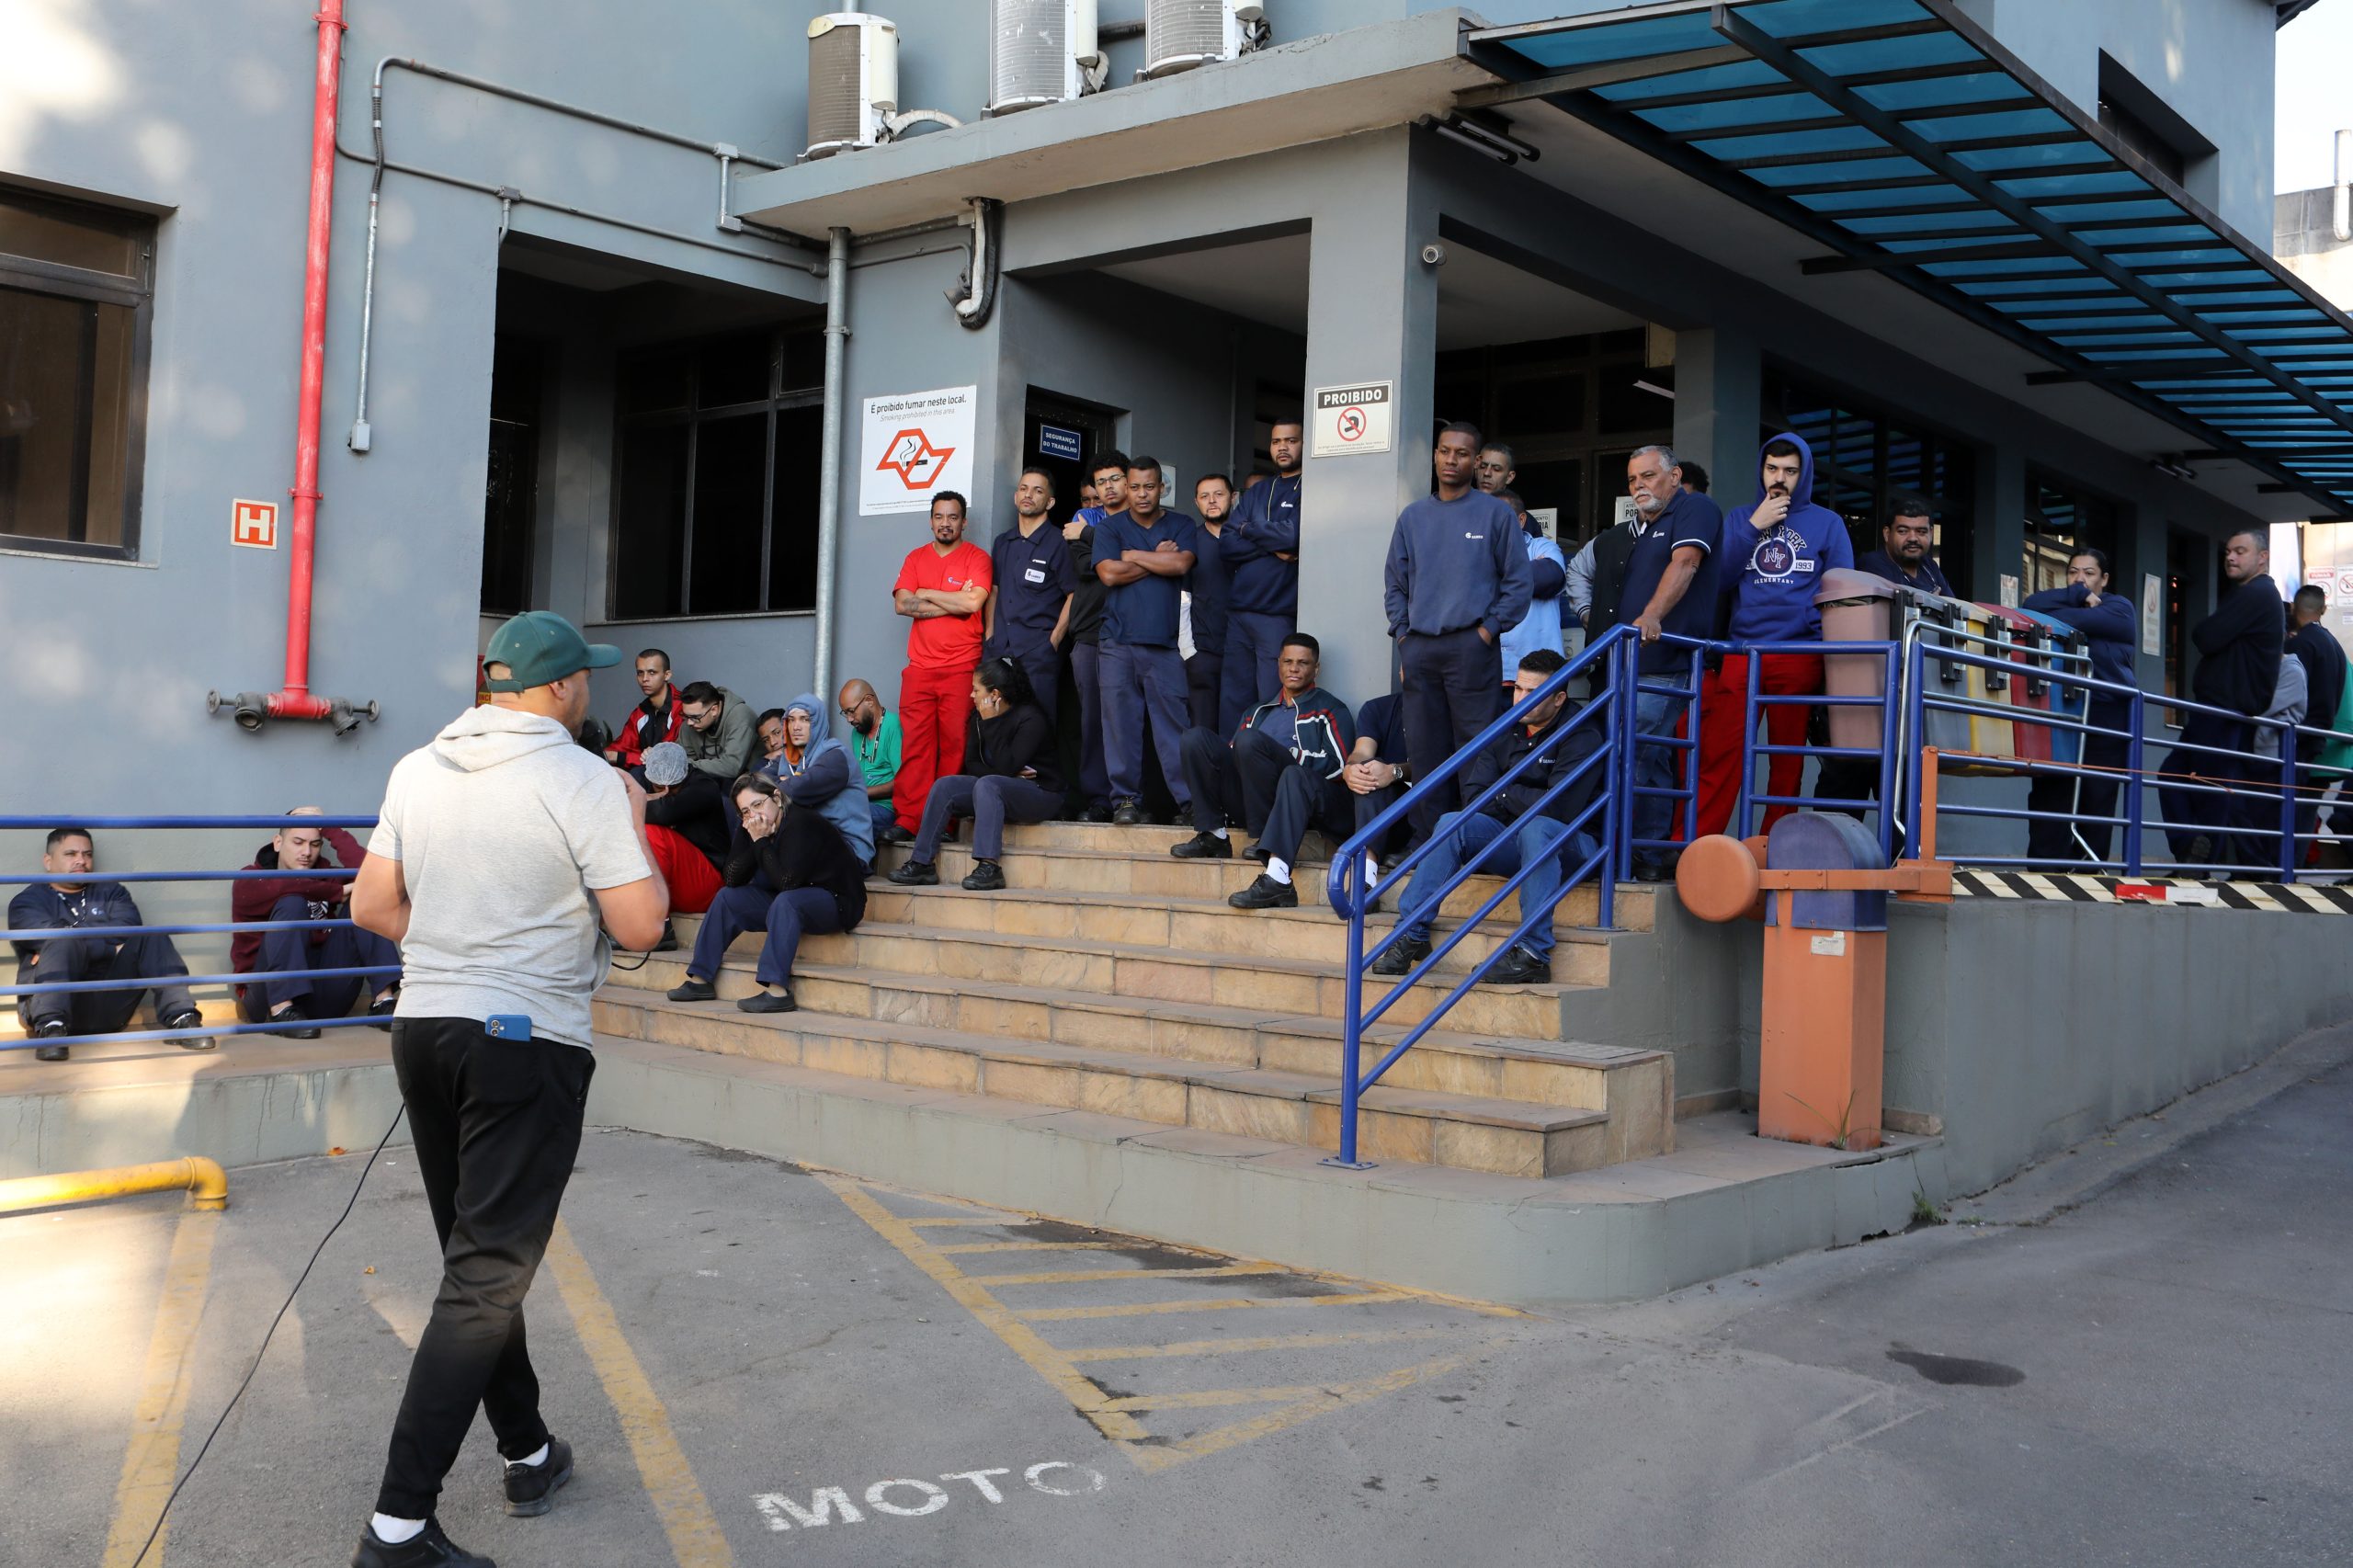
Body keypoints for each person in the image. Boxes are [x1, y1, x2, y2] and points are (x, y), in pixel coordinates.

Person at [347, 609, 668, 1567]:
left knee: (477, 1260)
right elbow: (643, 923)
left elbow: (371, 904)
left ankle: (527, 1448)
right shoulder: (582, 777)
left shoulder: (417, 765)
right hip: (522, 1040)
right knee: (486, 1276)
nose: (590, 691)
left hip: (426, 1028)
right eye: (586, 679)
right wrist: (636, 823)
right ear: (563, 687)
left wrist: (459, 952)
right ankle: (398, 1526)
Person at [1371, 649, 1602, 986]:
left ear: (1559, 698)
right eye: (1518, 689)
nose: (1521, 699)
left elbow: (1558, 810)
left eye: (1532, 693)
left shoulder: (1581, 733)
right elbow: (1476, 796)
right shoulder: (1506, 725)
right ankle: (1412, 932)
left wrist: (1505, 793)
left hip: (1572, 847)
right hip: (1516, 839)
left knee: (1538, 827)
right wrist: (1515, 799)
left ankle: (1534, 953)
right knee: (1453, 822)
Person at [1693, 434, 1854, 840]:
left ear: (1804, 474)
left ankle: (1772, 847)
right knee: (1719, 754)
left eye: (1789, 470)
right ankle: (1693, 844)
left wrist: (1819, 640)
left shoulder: (1828, 523)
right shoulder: (1740, 517)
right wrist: (1753, 527)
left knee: (1787, 761)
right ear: (1761, 471)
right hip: (1741, 651)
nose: (1779, 478)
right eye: (1772, 469)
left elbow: (1842, 591)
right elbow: (1721, 581)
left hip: (1799, 652)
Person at [1383, 422, 1532, 841]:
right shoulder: (1413, 516)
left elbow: (1519, 583)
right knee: (1426, 748)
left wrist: (1487, 631)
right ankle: (1428, 839)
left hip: (1472, 646)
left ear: (1477, 462)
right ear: (1435, 455)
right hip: (1420, 649)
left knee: (1476, 747)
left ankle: (1473, 836)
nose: (1452, 460)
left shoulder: (1495, 513)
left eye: (1463, 454)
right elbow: (1395, 583)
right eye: (1445, 451)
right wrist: (1403, 636)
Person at [1169, 633, 1358, 908]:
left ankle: (1262, 838)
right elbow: (1235, 755)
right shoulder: (1257, 712)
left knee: (1250, 741)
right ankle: (1214, 835)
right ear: (1278, 665)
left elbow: (1340, 765)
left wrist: (1286, 753)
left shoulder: (1329, 709)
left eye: (1303, 663)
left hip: (1295, 803)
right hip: (1251, 797)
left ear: (1316, 669)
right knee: (1195, 738)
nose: (1294, 668)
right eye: (1288, 661)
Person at [1603, 447, 1721, 879]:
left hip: (1666, 658)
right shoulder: (1646, 526)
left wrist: (1652, 615)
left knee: (1629, 753)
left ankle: (1616, 857)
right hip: (1632, 661)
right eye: (1633, 480)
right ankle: (1646, 856)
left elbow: (1687, 562)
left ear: (1674, 476)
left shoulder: (1696, 508)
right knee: (1649, 761)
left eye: (1649, 476)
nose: (1639, 486)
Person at [666, 772, 868, 1015]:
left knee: (787, 901)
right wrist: (756, 839)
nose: (753, 815)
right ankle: (700, 979)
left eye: (758, 804)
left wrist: (760, 841)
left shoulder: (802, 822)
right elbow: (731, 878)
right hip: (789, 898)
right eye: (745, 811)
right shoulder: (752, 826)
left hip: (835, 900)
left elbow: (787, 882)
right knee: (727, 898)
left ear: (777, 797)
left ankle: (777, 991)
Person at [8, 826, 210, 1062]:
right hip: (57, 1009)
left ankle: (183, 1018)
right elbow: (42, 935)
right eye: (71, 854)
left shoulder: (112, 892)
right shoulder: (27, 902)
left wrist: (73, 940)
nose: (81, 861)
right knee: (60, 941)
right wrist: (109, 947)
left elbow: (128, 926)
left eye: (87, 854)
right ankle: (52, 1032)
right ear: (48, 861)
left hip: (109, 1006)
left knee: (152, 936)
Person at [2160, 528, 2284, 869]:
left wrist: (2209, 630)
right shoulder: (2255, 595)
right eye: (2228, 550)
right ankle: (2234, 859)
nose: (2230, 556)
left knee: (2211, 785)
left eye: (2240, 551)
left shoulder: (2257, 593)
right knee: (2185, 777)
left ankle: (2199, 859)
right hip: (2222, 708)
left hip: (2224, 709)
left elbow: (2206, 636)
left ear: (2262, 558)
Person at [886, 657, 1064, 892]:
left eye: (976, 690)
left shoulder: (1030, 718)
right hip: (998, 789)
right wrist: (1004, 774)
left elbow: (1004, 767)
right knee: (945, 786)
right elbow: (972, 764)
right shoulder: (978, 717)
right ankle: (922, 863)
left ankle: (989, 867)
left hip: (1042, 793)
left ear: (996, 694)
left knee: (989, 784)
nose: (971, 695)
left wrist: (992, 724)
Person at [1094, 456, 1200, 825]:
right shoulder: (1111, 528)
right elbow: (1108, 574)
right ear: (1126, 488)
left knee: (1175, 728)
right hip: (1117, 644)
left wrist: (1134, 558)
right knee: (1120, 726)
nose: (1142, 494)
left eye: (1149, 487)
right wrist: (1156, 557)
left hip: (1165, 646)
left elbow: (1181, 565)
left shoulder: (1182, 524)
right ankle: (1125, 801)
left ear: (1162, 488)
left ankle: (1190, 803)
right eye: (1135, 487)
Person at [232, 807, 402, 1038]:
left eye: (315, 844)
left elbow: (372, 874)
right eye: (298, 842)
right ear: (278, 842)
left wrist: (329, 826)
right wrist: (337, 892)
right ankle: (282, 1011)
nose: (306, 852)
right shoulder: (250, 879)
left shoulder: (325, 874)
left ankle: (384, 1002)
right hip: (265, 997)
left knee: (366, 899)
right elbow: (287, 886)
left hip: (324, 993)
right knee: (292, 902)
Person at [2022, 549, 2136, 863]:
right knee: (2051, 790)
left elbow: (2071, 618)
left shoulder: (2119, 607)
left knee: (2096, 795)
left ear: (2105, 579)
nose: (2080, 579)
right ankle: (2045, 867)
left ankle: (2089, 871)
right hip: (2061, 709)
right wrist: (2077, 596)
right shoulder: (2068, 597)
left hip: (2105, 712)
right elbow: (2028, 606)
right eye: (2073, 572)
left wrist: (2067, 610)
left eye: (2088, 573)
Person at [891, 491, 993, 841]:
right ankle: (909, 819)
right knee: (916, 747)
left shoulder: (977, 558)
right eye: (939, 516)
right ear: (931, 520)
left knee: (954, 746)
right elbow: (904, 605)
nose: (945, 523)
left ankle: (945, 823)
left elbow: (974, 600)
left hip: (962, 666)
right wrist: (955, 601)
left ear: (964, 522)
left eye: (952, 517)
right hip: (919, 668)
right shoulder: (916, 557)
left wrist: (928, 593)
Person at [1220, 418, 1304, 733]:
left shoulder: (1311, 486)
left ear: (1305, 445)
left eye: (1291, 441)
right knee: (1233, 702)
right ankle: (1229, 773)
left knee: (1271, 700)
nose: (1283, 447)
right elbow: (1227, 543)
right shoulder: (1259, 491)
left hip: (1277, 616)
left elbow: (1292, 537)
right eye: (1276, 441)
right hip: (1240, 614)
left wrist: (1248, 530)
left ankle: (1261, 772)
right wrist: (1270, 544)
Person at [1061, 452, 1131, 822]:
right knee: (1093, 720)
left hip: (1134, 630)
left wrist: (1093, 540)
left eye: (1115, 478)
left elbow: (1137, 555)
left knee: (1129, 718)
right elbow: (1088, 567)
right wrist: (1130, 556)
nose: (1108, 487)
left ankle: (1131, 799)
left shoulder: (1139, 518)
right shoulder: (1085, 516)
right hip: (1090, 630)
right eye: (1101, 482)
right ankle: (1099, 799)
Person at [983, 467, 1077, 730]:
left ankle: (1042, 773)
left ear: (1050, 502)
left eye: (1038, 491)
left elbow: (1074, 593)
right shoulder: (1003, 542)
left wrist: (1054, 640)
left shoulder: (1058, 542)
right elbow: (995, 589)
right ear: (1015, 497)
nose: (1028, 495)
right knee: (998, 722)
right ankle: (1003, 773)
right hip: (1000, 649)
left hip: (1038, 651)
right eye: (1024, 489)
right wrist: (990, 634)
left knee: (1039, 723)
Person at [766, 691, 879, 870]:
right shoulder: (788, 759)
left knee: (792, 813)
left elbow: (796, 791)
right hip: (812, 844)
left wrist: (789, 783)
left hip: (849, 850)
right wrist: (787, 782)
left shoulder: (835, 757)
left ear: (817, 724)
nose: (796, 727)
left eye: (805, 719)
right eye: (792, 720)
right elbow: (757, 782)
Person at [2287, 584, 2350, 855]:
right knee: (2304, 815)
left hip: (2301, 743)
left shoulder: (2299, 644)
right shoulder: (2336, 647)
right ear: (2323, 610)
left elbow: (2291, 693)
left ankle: (2283, 873)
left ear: (2293, 608)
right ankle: (2291, 871)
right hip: (2325, 745)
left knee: (2291, 814)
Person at [1341, 685, 1416, 898]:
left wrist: (1394, 772)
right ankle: (1364, 880)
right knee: (1369, 768)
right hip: (1377, 814)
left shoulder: (1446, 710)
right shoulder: (1379, 707)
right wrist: (1351, 769)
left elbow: (1439, 765)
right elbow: (1362, 752)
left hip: (1420, 819)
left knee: (1378, 771)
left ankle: (1364, 878)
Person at [1494, 485, 1568, 699]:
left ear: (1521, 520)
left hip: (1541, 677)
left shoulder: (1541, 546)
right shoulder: (1476, 555)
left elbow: (1549, 576)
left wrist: (1490, 578)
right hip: (1491, 676)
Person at [639, 741, 727, 916]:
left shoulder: (704, 786)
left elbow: (663, 811)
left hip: (706, 880)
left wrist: (642, 798)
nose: (665, 792)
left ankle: (656, 919)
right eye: (659, 787)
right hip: (673, 883)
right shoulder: (643, 778)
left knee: (652, 832)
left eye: (672, 787)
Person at [1185, 473, 1236, 733]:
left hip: (1242, 651)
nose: (1212, 501)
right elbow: (1183, 599)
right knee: (1202, 729)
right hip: (1204, 650)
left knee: (1236, 729)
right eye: (1204, 496)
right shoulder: (1190, 543)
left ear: (1234, 497)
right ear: (1196, 503)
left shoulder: (1247, 538)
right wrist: (1188, 651)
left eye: (1219, 494)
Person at [836, 678, 904, 841]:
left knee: (843, 820)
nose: (849, 719)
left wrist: (860, 793)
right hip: (861, 806)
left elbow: (903, 782)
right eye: (845, 713)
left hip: (886, 809)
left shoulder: (893, 725)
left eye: (852, 711)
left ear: (869, 701)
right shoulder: (857, 733)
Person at [603, 648, 681, 771]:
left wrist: (620, 757)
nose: (645, 679)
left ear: (667, 675)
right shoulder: (640, 712)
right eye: (640, 673)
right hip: (647, 779)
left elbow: (666, 757)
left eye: (652, 672)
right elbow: (621, 746)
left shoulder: (681, 708)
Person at [1856, 503, 1954, 595]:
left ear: (1931, 534)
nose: (1913, 538)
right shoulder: (1872, 563)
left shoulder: (1930, 565)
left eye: (1921, 532)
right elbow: (1894, 609)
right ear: (1887, 534)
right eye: (1903, 531)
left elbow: (1955, 607)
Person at [677, 679, 756, 786]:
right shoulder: (689, 726)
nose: (689, 722)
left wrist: (685, 764)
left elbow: (731, 766)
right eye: (686, 716)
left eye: (695, 717)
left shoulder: (740, 717)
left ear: (714, 710)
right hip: (710, 783)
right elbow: (680, 759)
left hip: (748, 784)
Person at [754, 708, 791, 776]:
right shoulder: (766, 763)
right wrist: (765, 760)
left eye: (777, 733)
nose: (772, 743)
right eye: (766, 740)